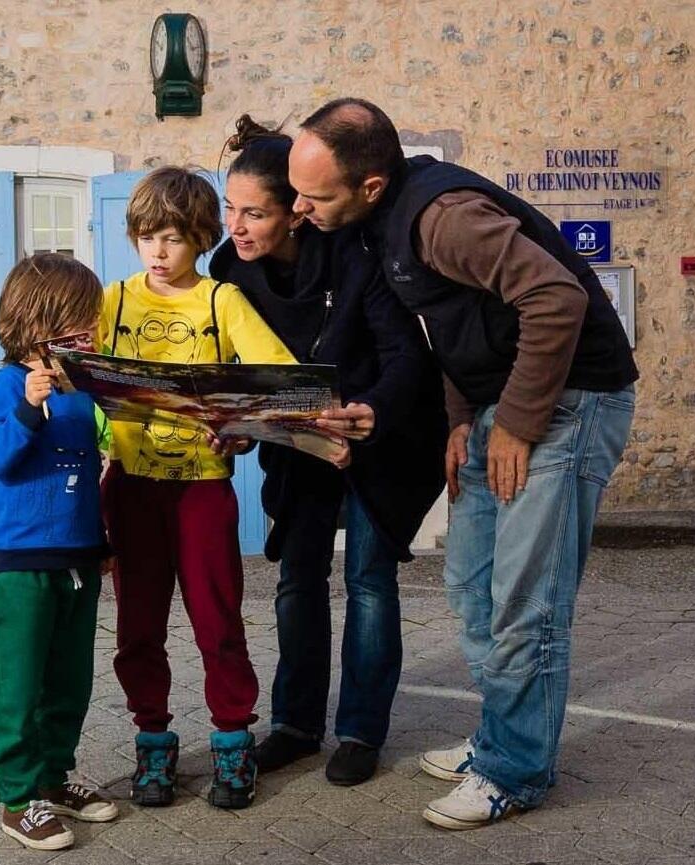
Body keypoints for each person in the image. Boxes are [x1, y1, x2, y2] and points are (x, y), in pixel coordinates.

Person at [291, 98, 639, 830]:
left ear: (370, 185)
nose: (299, 207)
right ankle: (497, 738)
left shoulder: (443, 215)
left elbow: (553, 297)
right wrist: (461, 419)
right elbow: (455, 321)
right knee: (472, 579)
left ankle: (512, 769)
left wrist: (515, 421)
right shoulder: (382, 225)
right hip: (496, 407)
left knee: (526, 601)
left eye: (314, 196)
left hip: (569, 403)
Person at [204, 116, 445, 787]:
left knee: (368, 579)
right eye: (230, 209)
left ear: (295, 215)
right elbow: (229, 373)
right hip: (298, 450)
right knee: (296, 581)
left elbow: (405, 357)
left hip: (378, 439)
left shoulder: (355, 256)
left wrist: (366, 413)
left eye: (254, 212)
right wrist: (232, 420)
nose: (237, 226)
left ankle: (361, 730)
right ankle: (293, 725)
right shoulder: (228, 275)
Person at [98, 166, 298, 810]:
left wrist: (239, 429)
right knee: (138, 626)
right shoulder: (113, 300)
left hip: (203, 490)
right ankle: (153, 743)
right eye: (147, 236)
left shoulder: (222, 301)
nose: (159, 251)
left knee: (218, 622)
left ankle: (233, 743)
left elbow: (283, 380)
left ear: (202, 238)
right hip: (131, 488)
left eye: (175, 238)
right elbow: (75, 375)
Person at [0, 253, 124, 851]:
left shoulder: (83, 395)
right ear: (39, 321)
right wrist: (28, 410)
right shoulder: (4, 387)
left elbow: (89, 475)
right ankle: (16, 795)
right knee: (19, 681)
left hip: (80, 559)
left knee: (70, 679)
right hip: (23, 564)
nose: (90, 332)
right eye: (80, 321)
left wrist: (102, 542)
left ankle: (55, 779)